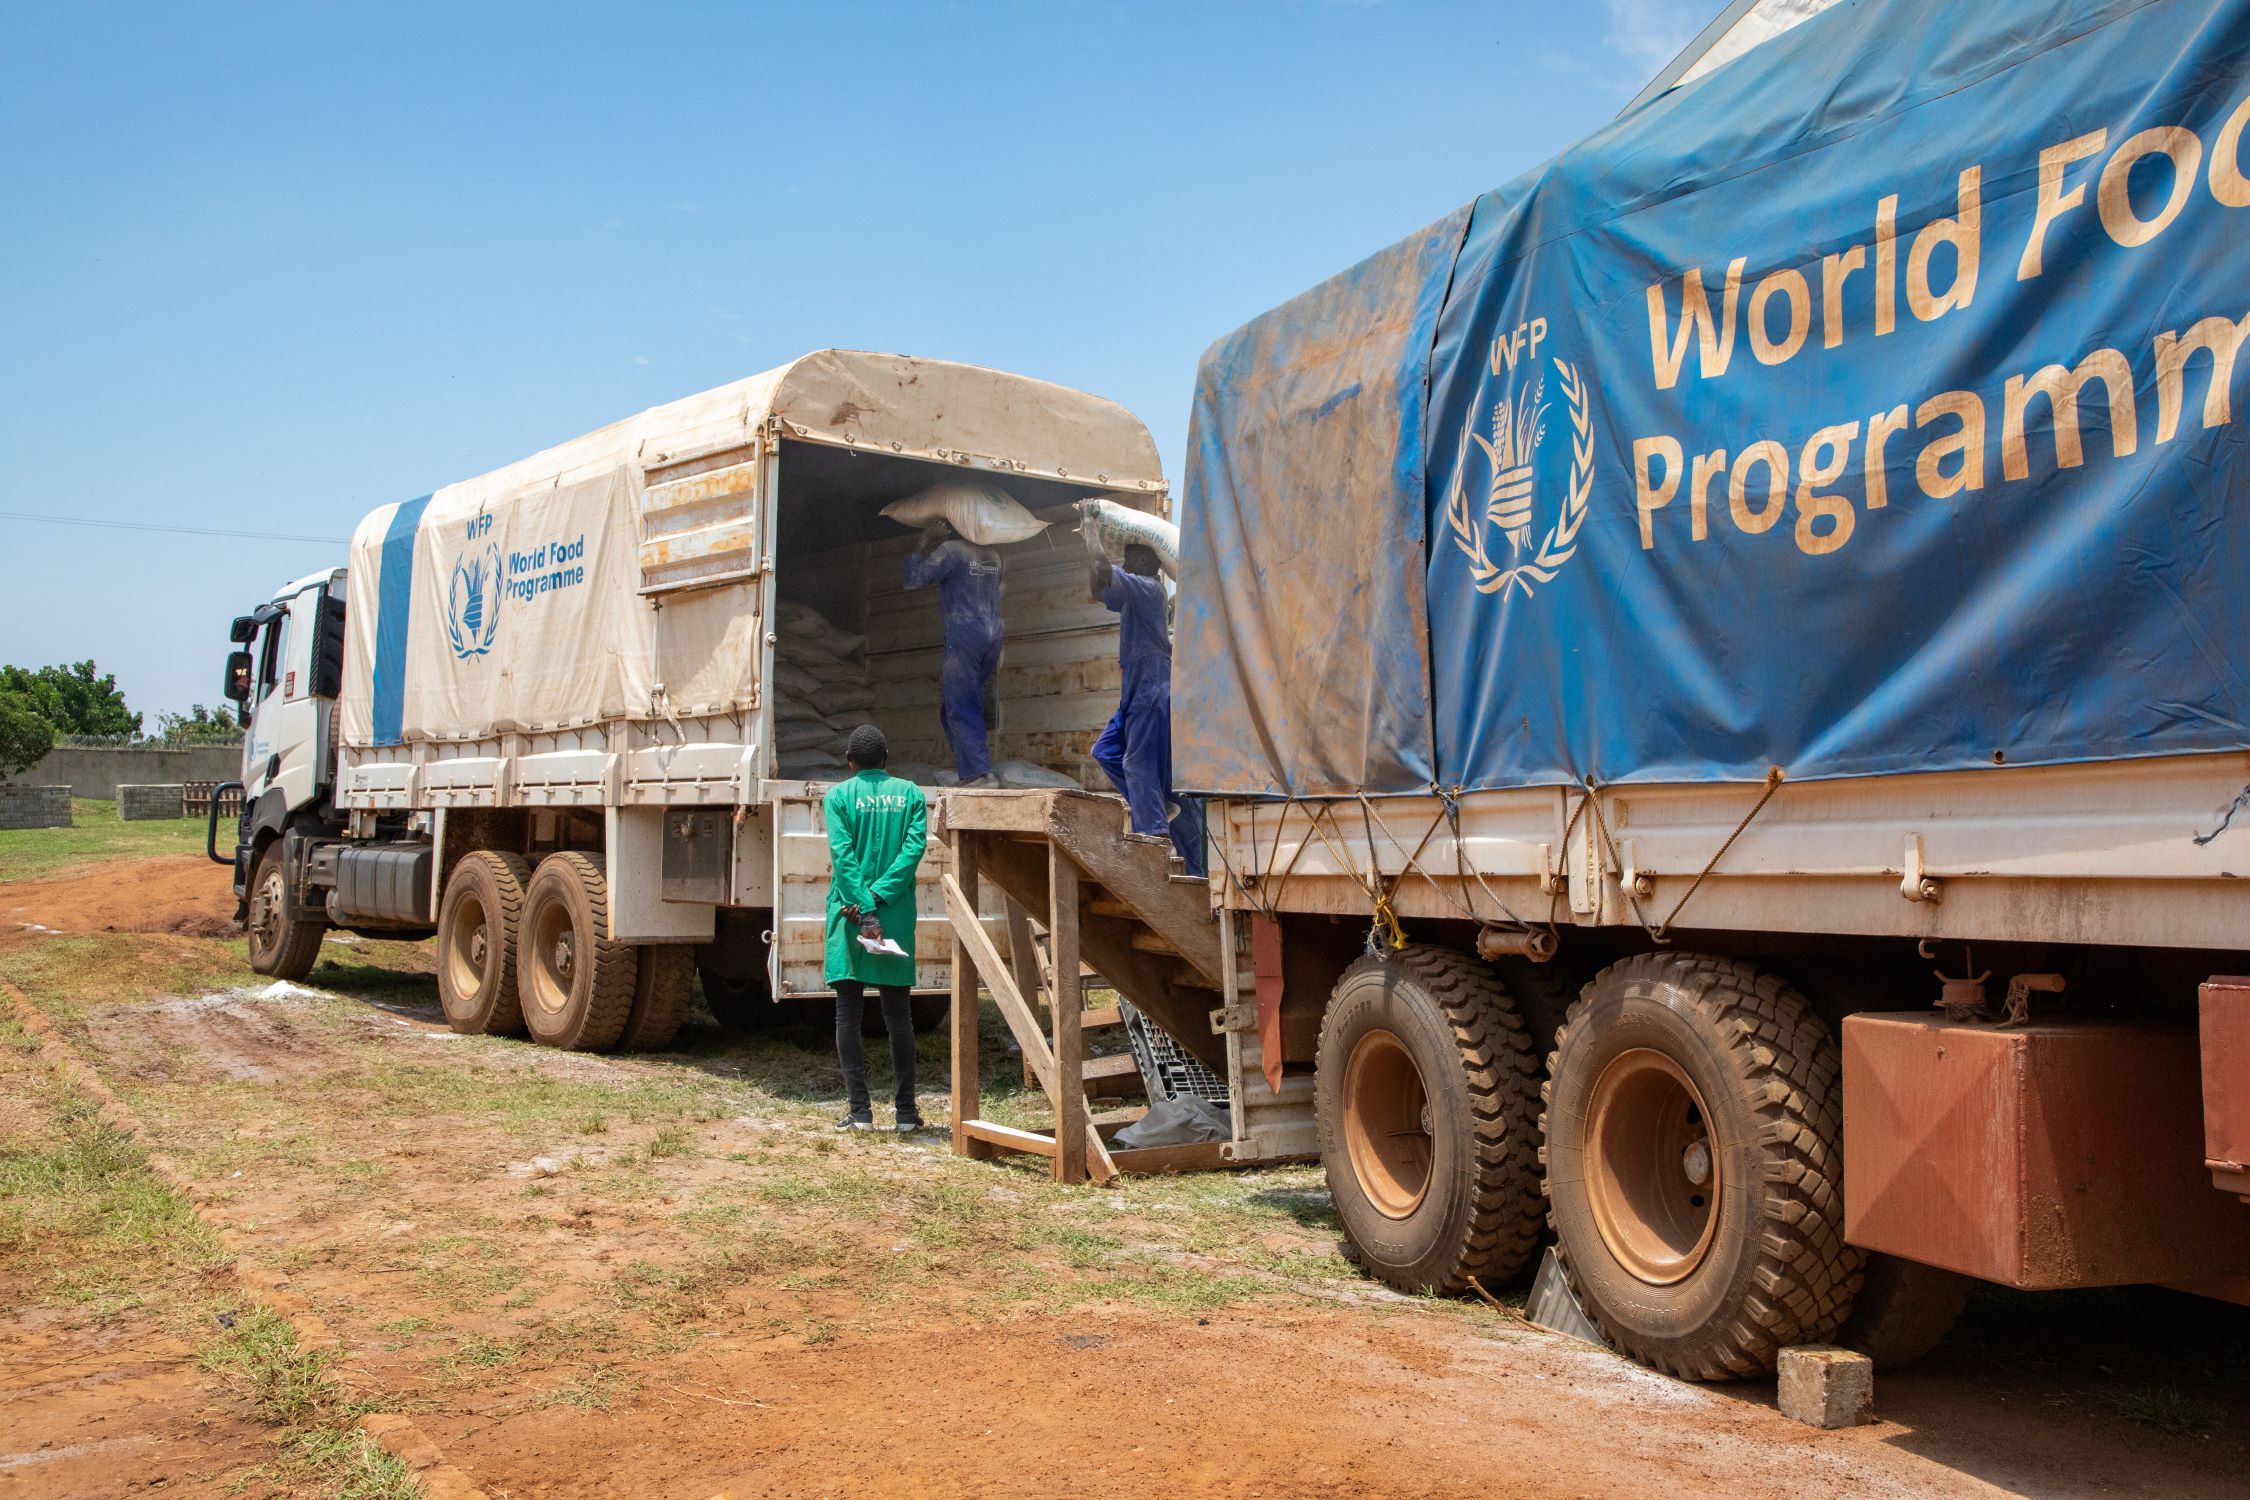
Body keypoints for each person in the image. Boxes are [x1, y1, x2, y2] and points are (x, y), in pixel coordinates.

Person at [1083, 519, 1205, 875]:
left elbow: (1105, 569)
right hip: (1136, 691)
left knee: (1138, 766)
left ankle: (1153, 839)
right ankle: (1157, 808)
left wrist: (1091, 530)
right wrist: (1088, 547)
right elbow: (1098, 585)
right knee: (1106, 752)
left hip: (1151, 692)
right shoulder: (1133, 593)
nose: (1124, 564)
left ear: (1148, 565)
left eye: (1131, 559)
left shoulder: (1149, 590)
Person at [824, 723, 929, 1132]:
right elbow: (912, 850)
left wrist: (864, 908)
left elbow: (842, 854)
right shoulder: (910, 794)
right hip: (895, 913)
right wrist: (882, 899)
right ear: (886, 760)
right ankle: (905, 1114)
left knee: (847, 1014)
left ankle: (860, 1113)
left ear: (850, 763)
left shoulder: (837, 797)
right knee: (898, 1017)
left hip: (851, 914)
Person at [902, 520, 1004, 786]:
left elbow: (913, 581)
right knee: (954, 707)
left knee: (961, 707)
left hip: (964, 635)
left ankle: (982, 774)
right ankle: (971, 772)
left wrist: (924, 540)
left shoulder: (951, 550)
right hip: (992, 636)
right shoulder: (993, 555)